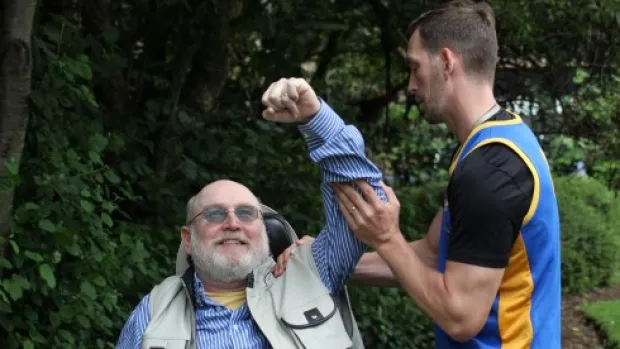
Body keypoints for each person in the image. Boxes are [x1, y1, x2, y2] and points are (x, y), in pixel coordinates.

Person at [276, 1, 561, 348]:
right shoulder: (492, 144)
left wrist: (386, 237)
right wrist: (321, 262)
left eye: (414, 68)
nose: (410, 85)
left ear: (445, 62)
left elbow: (461, 318)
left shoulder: (491, 170)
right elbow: (429, 254)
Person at [114, 77, 386, 349]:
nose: (233, 223)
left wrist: (315, 118)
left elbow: (365, 203)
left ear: (264, 231)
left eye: (246, 213)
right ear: (188, 238)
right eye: (215, 214)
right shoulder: (153, 314)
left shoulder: (311, 274)